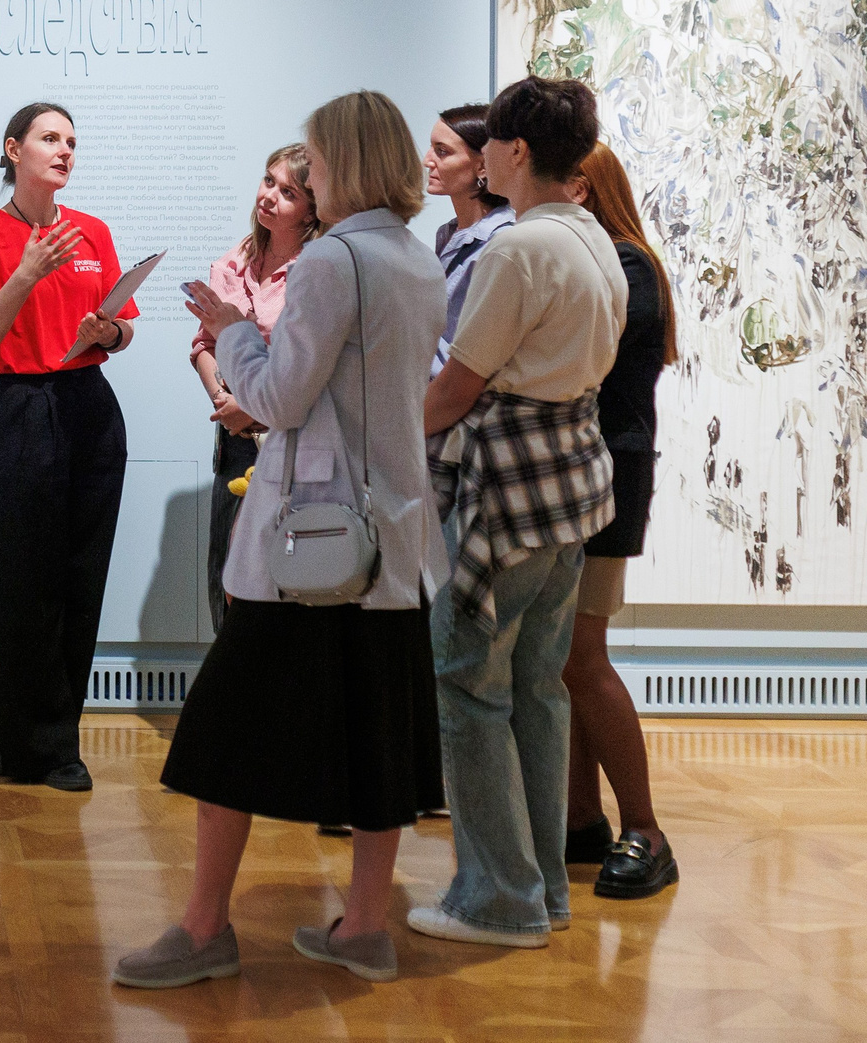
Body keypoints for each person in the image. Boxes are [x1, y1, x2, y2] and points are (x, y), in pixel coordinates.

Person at [112, 91, 446, 989]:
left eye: (314, 159)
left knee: (224, 728)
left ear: (342, 161)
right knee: (379, 737)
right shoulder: (417, 258)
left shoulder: (334, 261)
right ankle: (365, 927)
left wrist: (233, 331)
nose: (306, 174)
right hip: (391, 542)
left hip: (311, 544)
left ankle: (204, 924)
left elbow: (278, 398)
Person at [412, 77, 626, 949]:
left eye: (490, 141)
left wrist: (392, 425)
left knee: (468, 682)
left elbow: (459, 385)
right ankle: (539, 889)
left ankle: (498, 897)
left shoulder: (517, 249)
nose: (482, 153)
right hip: (572, 486)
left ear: (516, 153)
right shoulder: (596, 240)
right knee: (537, 688)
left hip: (509, 490)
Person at [0, 101, 138, 793]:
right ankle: (19, 735)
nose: (64, 150)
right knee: (17, 575)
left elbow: (125, 331)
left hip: (89, 404)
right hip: (21, 409)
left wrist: (107, 331)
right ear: (13, 149)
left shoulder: (93, 230)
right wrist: (26, 274)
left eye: (71, 140)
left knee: (79, 576)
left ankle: (57, 743)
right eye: (49, 138)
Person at [560, 143, 682, 901]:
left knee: (581, 655)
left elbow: (580, 353)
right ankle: (581, 817)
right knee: (567, 658)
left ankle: (647, 829)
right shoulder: (613, 262)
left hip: (610, 474)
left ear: (584, 186)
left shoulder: (627, 266)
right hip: (593, 471)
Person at [190, 144, 318, 639]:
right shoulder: (235, 259)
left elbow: (306, 361)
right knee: (226, 568)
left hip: (290, 440)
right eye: (268, 181)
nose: (270, 197)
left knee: (283, 577)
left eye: (288, 192)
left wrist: (250, 403)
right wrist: (223, 401)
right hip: (236, 436)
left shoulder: (316, 267)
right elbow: (203, 343)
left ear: (312, 208)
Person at [426, 103, 515, 374]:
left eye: (442, 151)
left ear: (482, 165)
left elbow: (474, 360)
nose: (427, 159)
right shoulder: (448, 233)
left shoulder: (500, 242)